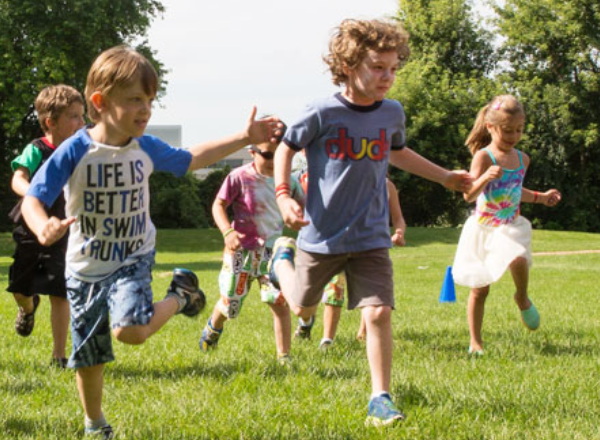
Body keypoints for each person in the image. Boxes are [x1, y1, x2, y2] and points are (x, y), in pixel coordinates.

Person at [21, 45, 283, 439]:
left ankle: (179, 297)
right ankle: (95, 424)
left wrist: (243, 136)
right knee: (89, 354)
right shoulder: (75, 149)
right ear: (100, 102)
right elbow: (33, 198)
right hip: (84, 267)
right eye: (135, 100)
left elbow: (191, 157)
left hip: (133, 256)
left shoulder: (144, 147)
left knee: (131, 332)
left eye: (150, 100)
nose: (146, 110)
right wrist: (42, 227)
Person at [269, 19, 471, 426]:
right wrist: (283, 194)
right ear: (347, 65)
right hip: (321, 235)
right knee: (302, 305)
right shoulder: (321, 112)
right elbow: (286, 148)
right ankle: (281, 264)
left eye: (394, 68)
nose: (388, 77)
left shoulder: (392, 113)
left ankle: (380, 397)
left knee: (378, 313)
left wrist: (445, 176)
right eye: (379, 67)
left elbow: (398, 154)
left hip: (371, 234)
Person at [451, 95, 561, 356]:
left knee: (519, 258)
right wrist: (485, 177)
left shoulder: (523, 159)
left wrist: (540, 197)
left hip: (510, 225)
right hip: (484, 228)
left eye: (519, 130)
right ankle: (475, 341)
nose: (513, 136)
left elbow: (514, 189)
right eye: (507, 130)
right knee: (480, 288)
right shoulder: (484, 157)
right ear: (490, 127)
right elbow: (469, 195)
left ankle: (521, 297)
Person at [199, 131, 305, 364]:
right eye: (268, 155)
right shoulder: (239, 177)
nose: (273, 161)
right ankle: (212, 330)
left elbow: (304, 207)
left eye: (279, 156)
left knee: (279, 302)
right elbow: (219, 205)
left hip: (272, 254)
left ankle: (284, 356)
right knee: (230, 303)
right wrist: (228, 232)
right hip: (241, 253)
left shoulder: (288, 182)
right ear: (252, 152)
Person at [8, 85, 85, 368]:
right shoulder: (36, 148)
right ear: (51, 122)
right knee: (20, 287)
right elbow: (18, 178)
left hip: (65, 226)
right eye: (75, 117)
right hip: (31, 225)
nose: (82, 123)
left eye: (82, 116)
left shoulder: (81, 150)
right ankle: (27, 309)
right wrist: (32, 194)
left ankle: (59, 356)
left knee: (59, 290)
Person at [316, 178, 407, 348]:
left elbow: (398, 218)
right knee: (334, 289)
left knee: (370, 295)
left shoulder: (387, 186)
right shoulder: (346, 179)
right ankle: (327, 338)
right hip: (341, 245)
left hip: (372, 246)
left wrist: (399, 232)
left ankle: (364, 332)